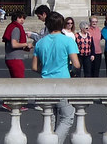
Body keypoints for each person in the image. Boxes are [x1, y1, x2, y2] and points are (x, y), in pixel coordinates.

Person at [32, 11, 80, 144]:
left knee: (50, 117)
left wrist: (46, 70)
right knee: (67, 117)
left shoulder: (40, 43)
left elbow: (34, 67)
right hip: (62, 82)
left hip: (45, 82)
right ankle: (56, 141)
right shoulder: (68, 41)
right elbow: (76, 64)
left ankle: (49, 140)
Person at [1, 10, 33, 78]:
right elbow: (14, 44)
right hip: (15, 58)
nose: (22, 20)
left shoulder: (11, 27)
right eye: (20, 18)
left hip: (11, 57)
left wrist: (25, 47)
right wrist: (26, 44)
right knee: (19, 80)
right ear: (15, 18)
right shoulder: (16, 29)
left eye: (23, 18)